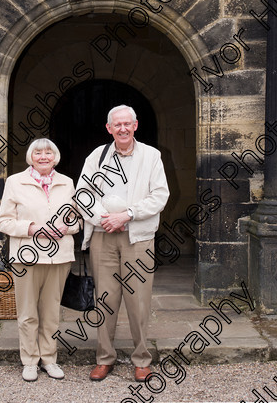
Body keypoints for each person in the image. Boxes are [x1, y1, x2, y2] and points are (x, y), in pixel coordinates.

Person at [76, 105, 170, 382]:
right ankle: (105, 358)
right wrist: (102, 218)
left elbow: (159, 196)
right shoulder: (98, 156)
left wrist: (126, 215)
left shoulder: (151, 156)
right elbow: (83, 192)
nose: (123, 128)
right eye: (117, 125)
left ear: (136, 125)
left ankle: (142, 359)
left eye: (127, 124)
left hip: (137, 237)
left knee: (138, 300)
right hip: (103, 236)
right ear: (109, 128)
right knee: (104, 300)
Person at [0, 137, 80, 382]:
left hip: (59, 257)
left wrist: (66, 227)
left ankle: (49, 359)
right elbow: (3, 221)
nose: (44, 156)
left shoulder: (67, 182)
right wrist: (32, 228)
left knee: (51, 312)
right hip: (26, 257)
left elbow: (77, 220)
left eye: (48, 153)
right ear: (31, 157)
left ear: (55, 157)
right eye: (38, 153)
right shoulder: (15, 182)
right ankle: (30, 361)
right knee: (27, 312)